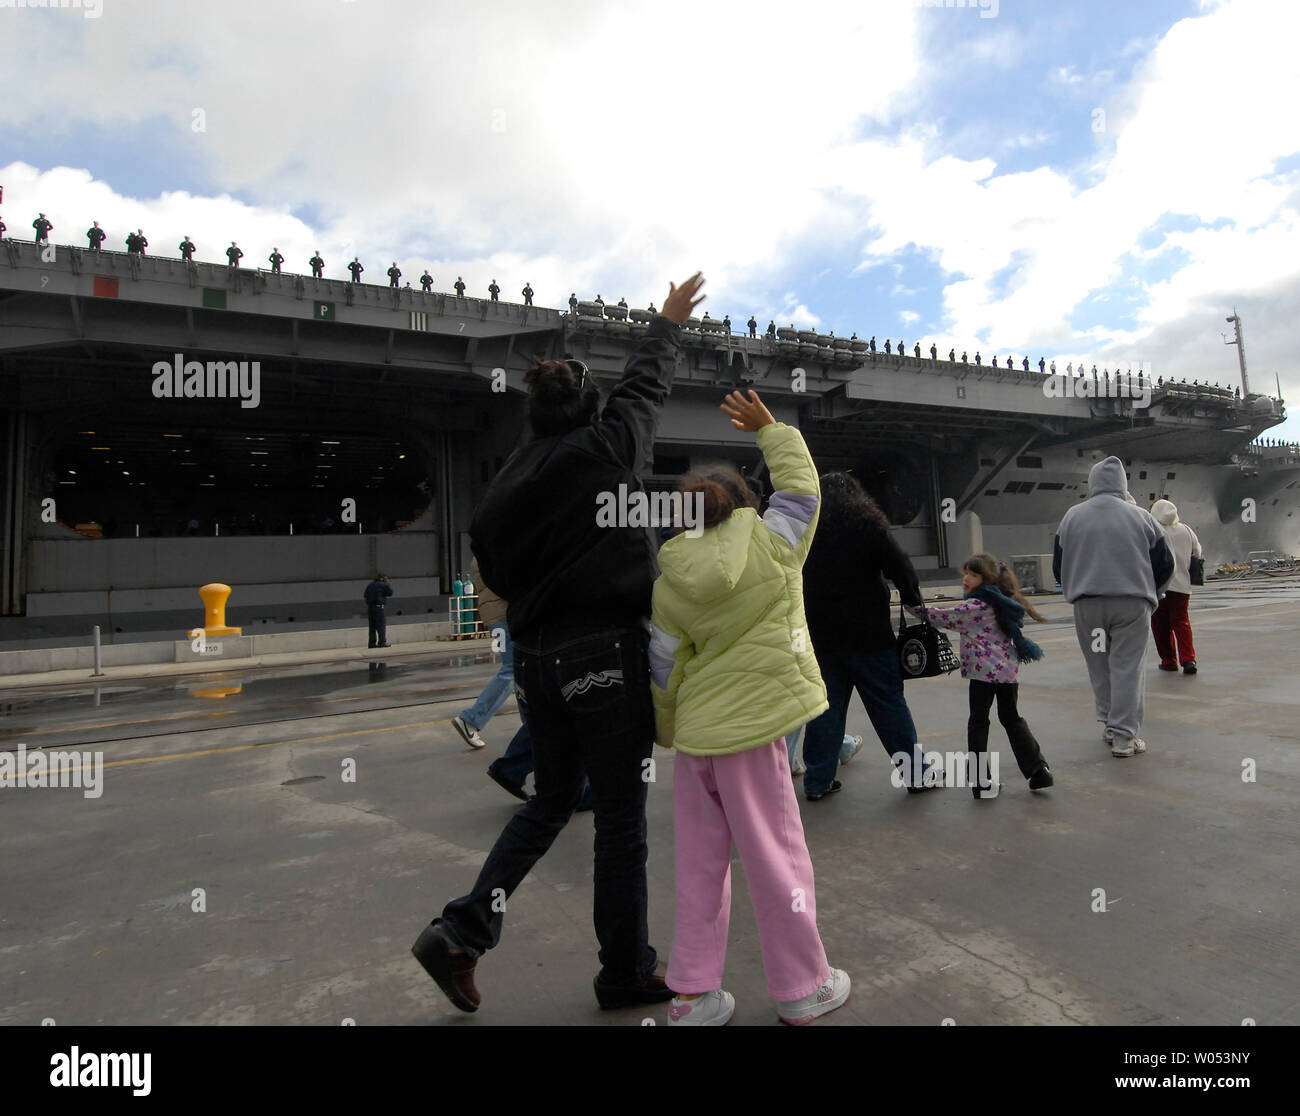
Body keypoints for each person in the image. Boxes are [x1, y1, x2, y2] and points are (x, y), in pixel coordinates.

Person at [411, 271, 706, 1016]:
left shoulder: (505, 483)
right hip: (603, 653)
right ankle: (626, 970)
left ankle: (461, 931)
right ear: (587, 407)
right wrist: (666, 323)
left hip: (536, 660)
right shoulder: (605, 448)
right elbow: (644, 392)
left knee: (547, 806)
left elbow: (495, 569)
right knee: (618, 819)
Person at [651, 388, 850, 1027]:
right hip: (755, 732)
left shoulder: (668, 580)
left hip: (699, 742)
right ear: (742, 504)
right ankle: (801, 987)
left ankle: (692, 996)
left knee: (699, 867)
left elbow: (663, 666)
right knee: (775, 858)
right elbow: (802, 490)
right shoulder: (774, 543)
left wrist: (669, 730)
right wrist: (773, 430)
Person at [801, 471, 937, 798]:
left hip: (822, 638)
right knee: (889, 706)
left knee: (826, 711)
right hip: (869, 635)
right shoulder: (868, 525)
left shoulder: (807, 531)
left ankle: (817, 782)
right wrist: (911, 598)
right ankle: (916, 775)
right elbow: (900, 566)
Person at [1053, 457, 1173, 757]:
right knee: (1127, 669)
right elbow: (1165, 563)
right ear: (1123, 484)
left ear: (1092, 482)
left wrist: (1075, 587)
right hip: (1131, 605)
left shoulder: (1071, 516)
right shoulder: (1141, 517)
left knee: (1100, 668)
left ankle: (1108, 724)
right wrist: (1152, 594)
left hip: (1087, 605)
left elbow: (1058, 564)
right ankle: (1124, 737)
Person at [913, 555, 1053, 797]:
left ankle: (980, 781)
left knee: (978, 722)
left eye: (973, 575)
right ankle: (1038, 770)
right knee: (1012, 719)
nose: (966, 578)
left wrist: (912, 606)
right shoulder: (1000, 603)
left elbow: (941, 616)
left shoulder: (973, 608)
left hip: (982, 676)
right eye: (965, 573)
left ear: (986, 579)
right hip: (1007, 673)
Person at [451, 556, 515, 751]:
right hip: (505, 615)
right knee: (513, 669)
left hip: (495, 616)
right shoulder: (495, 549)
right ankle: (471, 719)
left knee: (518, 670)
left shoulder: (483, 550)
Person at [1148, 499, 1202, 674]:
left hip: (1159, 586)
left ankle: (1169, 660)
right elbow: (1197, 552)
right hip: (1182, 586)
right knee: (1181, 622)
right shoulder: (1187, 530)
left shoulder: (1153, 529)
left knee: (1159, 625)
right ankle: (1189, 660)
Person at [364, 574, 392, 648]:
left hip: (370, 608)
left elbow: (365, 595)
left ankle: (372, 643)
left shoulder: (370, 585)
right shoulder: (384, 585)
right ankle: (382, 642)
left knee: (372, 627)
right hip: (379, 608)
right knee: (381, 626)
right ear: (382, 578)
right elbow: (390, 592)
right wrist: (386, 583)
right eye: (386, 578)